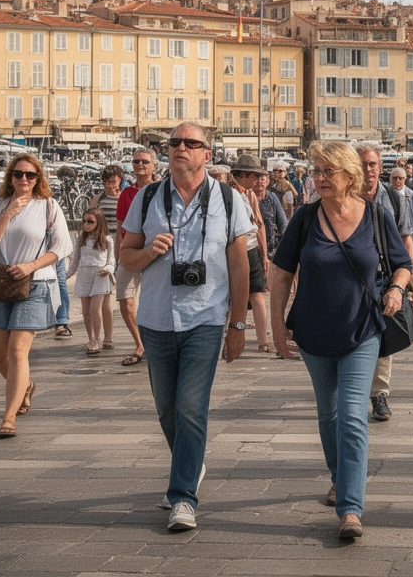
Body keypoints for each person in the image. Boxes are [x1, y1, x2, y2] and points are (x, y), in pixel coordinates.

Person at [268, 141, 413, 540]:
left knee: (351, 415)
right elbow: (280, 274)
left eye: (328, 171)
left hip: (362, 329)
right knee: (328, 415)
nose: (319, 178)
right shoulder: (305, 217)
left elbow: (402, 264)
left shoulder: (376, 216)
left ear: (349, 175)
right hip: (313, 332)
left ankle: (351, 508)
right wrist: (277, 328)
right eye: (316, 171)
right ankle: (339, 476)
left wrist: (397, 290)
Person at [119, 122, 253, 532]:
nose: (180, 148)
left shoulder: (229, 200)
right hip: (157, 318)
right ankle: (190, 464)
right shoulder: (147, 198)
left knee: (190, 407)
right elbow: (125, 256)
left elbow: (239, 264)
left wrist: (238, 323)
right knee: (166, 410)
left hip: (206, 317)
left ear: (207, 154)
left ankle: (182, 498)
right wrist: (148, 252)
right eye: (174, 142)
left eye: (190, 143)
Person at [0, 153, 74, 438]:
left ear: (38, 179)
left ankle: (9, 417)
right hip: (0, 283)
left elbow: (62, 247)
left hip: (36, 283)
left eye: (30, 175)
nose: (23, 179)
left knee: (17, 350)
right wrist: (8, 214)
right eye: (18, 174)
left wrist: (31, 265)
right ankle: (26, 386)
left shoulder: (49, 207)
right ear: (10, 177)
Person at [354, 141, 413, 422]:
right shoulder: (347, 195)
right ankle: (353, 389)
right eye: (363, 164)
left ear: (380, 167)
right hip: (351, 277)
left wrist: (407, 284)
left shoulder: (392, 197)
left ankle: (379, 394)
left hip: (383, 276)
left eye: (372, 164)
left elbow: (405, 238)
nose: (368, 170)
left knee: (382, 333)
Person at [115, 149, 157, 366]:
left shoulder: (161, 190)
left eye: (144, 161)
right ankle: (140, 343)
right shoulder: (126, 194)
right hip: (131, 251)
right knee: (125, 298)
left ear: (154, 166)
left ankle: (155, 341)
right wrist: (116, 256)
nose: (140, 164)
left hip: (155, 250)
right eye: (136, 161)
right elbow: (120, 226)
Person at [230, 155, 274, 354]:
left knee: (257, 294)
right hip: (234, 250)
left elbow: (259, 225)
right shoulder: (228, 194)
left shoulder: (249, 195)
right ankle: (230, 338)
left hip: (251, 248)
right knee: (232, 296)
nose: (257, 181)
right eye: (254, 176)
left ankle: (263, 340)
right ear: (244, 174)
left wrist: (264, 254)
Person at [69, 208, 115, 355]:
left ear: (98, 222)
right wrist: (67, 275)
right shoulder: (80, 240)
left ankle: (99, 339)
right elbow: (75, 260)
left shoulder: (107, 240)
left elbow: (111, 261)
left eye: (90, 221)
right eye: (84, 221)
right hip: (84, 274)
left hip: (100, 275)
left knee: (95, 309)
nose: (86, 224)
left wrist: (107, 269)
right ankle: (91, 338)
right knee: (85, 311)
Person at [89, 165, 125, 350]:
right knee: (104, 295)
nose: (109, 185)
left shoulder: (124, 198)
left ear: (120, 179)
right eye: (106, 181)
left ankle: (108, 336)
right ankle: (102, 336)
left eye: (113, 181)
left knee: (109, 295)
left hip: (118, 247)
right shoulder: (98, 199)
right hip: (100, 249)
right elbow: (88, 221)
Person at [389, 166, 413, 311]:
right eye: (395, 178)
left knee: (411, 268)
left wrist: (412, 236)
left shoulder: (411, 195)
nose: (397, 181)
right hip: (392, 238)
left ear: (405, 179)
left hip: (407, 237)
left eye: (400, 178)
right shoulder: (386, 194)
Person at [255, 167, 289, 258]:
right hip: (252, 247)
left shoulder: (272, 198)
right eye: (257, 179)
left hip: (270, 248)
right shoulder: (247, 198)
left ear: (267, 182)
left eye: (262, 179)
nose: (259, 182)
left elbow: (283, 223)